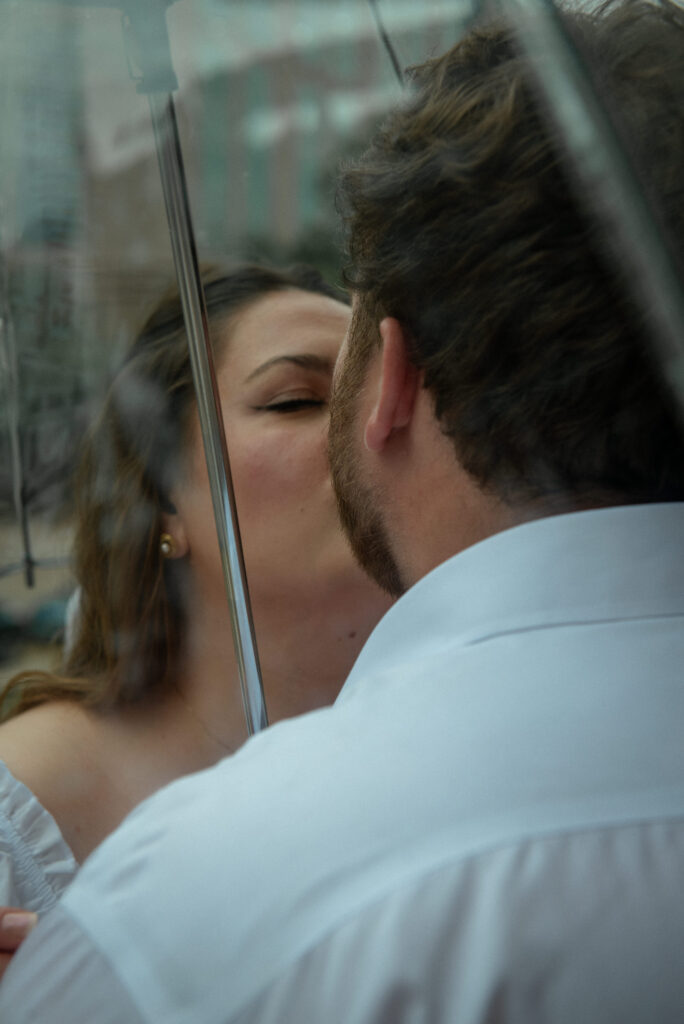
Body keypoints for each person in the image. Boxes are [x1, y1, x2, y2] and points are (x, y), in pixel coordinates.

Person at [3, 1, 684, 1019]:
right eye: (293, 398)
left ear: (397, 381)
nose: (344, 430)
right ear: (154, 501)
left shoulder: (202, 912)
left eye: (350, 380)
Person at [0, 264, 391, 919]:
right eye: (296, 400)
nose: (375, 428)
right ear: (156, 500)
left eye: (386, 395)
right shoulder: (23, 821)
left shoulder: (466, 752)